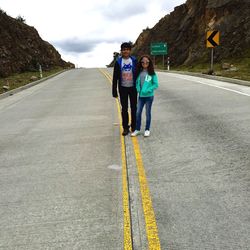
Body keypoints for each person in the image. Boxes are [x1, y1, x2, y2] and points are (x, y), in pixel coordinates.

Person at [112, 42, 137, 136]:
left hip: (133, 88)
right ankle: (125, 128)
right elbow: (115, 77)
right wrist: (114, 91)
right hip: (123, 88)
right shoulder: (118, 62)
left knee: (134, 108)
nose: (125, 51)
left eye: (127, 49)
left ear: (130, 51)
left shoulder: (134, 60)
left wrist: (140, 86)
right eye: (124, 49)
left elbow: (138, 73)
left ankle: (134, 126)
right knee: (124, 109)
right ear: (121, 51)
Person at [131, 55, 158, 137]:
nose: (145, 63)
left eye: (146, 62)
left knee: (147, 113)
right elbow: (137, 83)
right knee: (138, 112)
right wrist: (138, 88)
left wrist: (148, 90)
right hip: (141, 97)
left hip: (149, 97)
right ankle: (137, 129)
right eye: (143, 62)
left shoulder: (152, 73)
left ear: (149, 63)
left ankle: (147, 129)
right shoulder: (140, 72)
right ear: (141, 63)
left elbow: (155, 84)